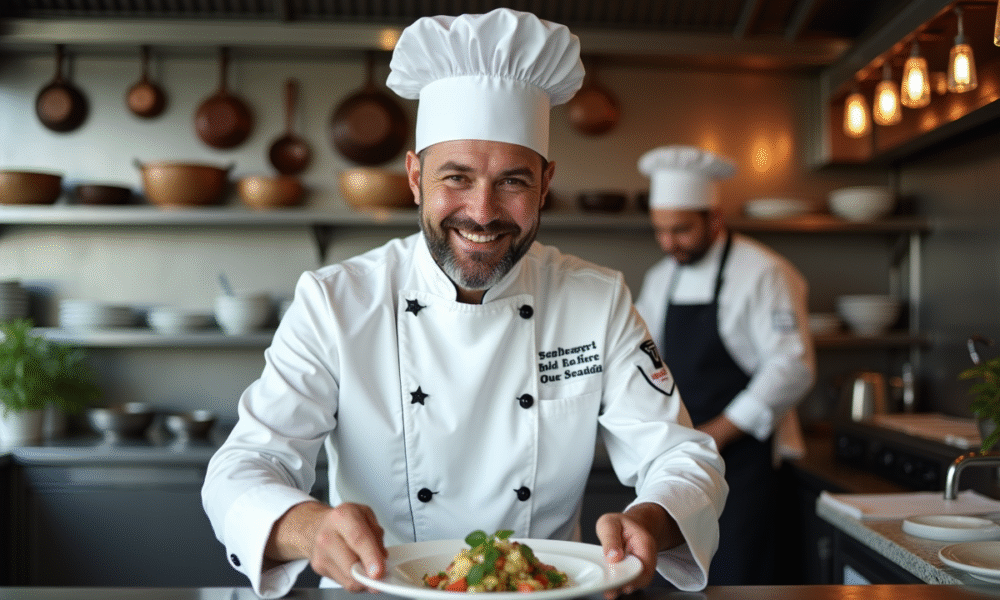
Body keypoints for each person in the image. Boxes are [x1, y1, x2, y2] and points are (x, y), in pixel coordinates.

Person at [202, 11, 726, 599]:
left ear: (546, 183)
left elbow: (684, 458)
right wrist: (310, 528)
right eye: (455, 177)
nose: (482, 212)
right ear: (414, 177)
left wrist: (649, 520)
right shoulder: (336, 301)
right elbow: (241, 468)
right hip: (377, 595)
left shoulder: (596, 300)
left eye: (513, 182)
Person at [634, 145, 816, 585]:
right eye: (660, 231)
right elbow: (640, 354)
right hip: (679, 458)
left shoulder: (764, 273)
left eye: (681, 230)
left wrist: (717, 431)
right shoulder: (663, 277)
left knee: (739, 578)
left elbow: (792, 366)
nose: (668, 243)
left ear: (714, 219)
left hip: (744, 462)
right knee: (673, 577)